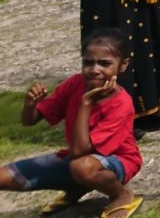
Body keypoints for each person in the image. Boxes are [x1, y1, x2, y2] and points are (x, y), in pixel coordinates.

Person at [1, 29, 143, 218]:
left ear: (123, 65)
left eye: (105, 63)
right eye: (88, 62)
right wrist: (30, 105)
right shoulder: (75, 83)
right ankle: (78, 186)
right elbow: (30, 121)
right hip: (76, 160)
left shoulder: (121, 103)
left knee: (82, 168)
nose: (94, 69)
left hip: (118, 161)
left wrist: (85, 103)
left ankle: (121, 194)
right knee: (3, 176)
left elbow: (79, 151)